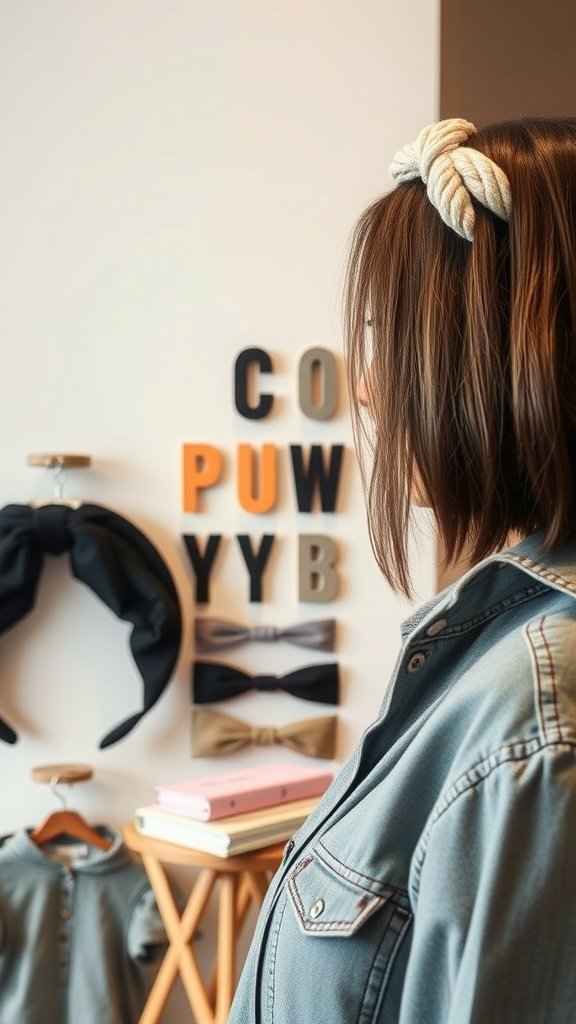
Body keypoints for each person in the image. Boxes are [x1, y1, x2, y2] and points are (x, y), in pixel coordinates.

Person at [227, 117, 576, 1024]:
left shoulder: (535, 726)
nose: (372, 388)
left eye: (396, 335)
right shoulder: (490, 655)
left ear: (508, 352)